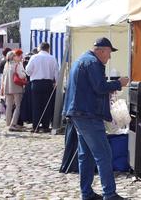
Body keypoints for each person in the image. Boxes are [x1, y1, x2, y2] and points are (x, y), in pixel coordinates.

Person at [62, 37, 129, 200]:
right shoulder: (92, 63)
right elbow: (100, 87)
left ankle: (87, 193)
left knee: (86, 155)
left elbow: (93, 87)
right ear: (101, 50)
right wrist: (118, 83)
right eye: (109, 52)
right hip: (87, 114)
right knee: (104, 154)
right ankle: (109, 193)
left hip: (79, 113)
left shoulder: (84, 60)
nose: (110, 57)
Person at [26, 42, 58, 133]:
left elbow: (28, 71)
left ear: (39, 48)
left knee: (36, 105)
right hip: (48, 83)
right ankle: (45, 126)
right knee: (47, 105)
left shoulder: (34, 57)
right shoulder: (52, 58)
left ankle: (35, 126)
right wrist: (56, 82)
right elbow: (56, 72)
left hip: (36, 83)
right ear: (48, 49)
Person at [1, 50, 26, 131]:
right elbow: (22, 76)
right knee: (18, 106)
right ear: (14, 57)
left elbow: (3, 77)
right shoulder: (17, 65)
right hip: (16, 87)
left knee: (9, 106)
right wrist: (24, 73)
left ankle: (8, 124)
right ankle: (13, 124)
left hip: (7, 87)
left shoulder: (6, 65)